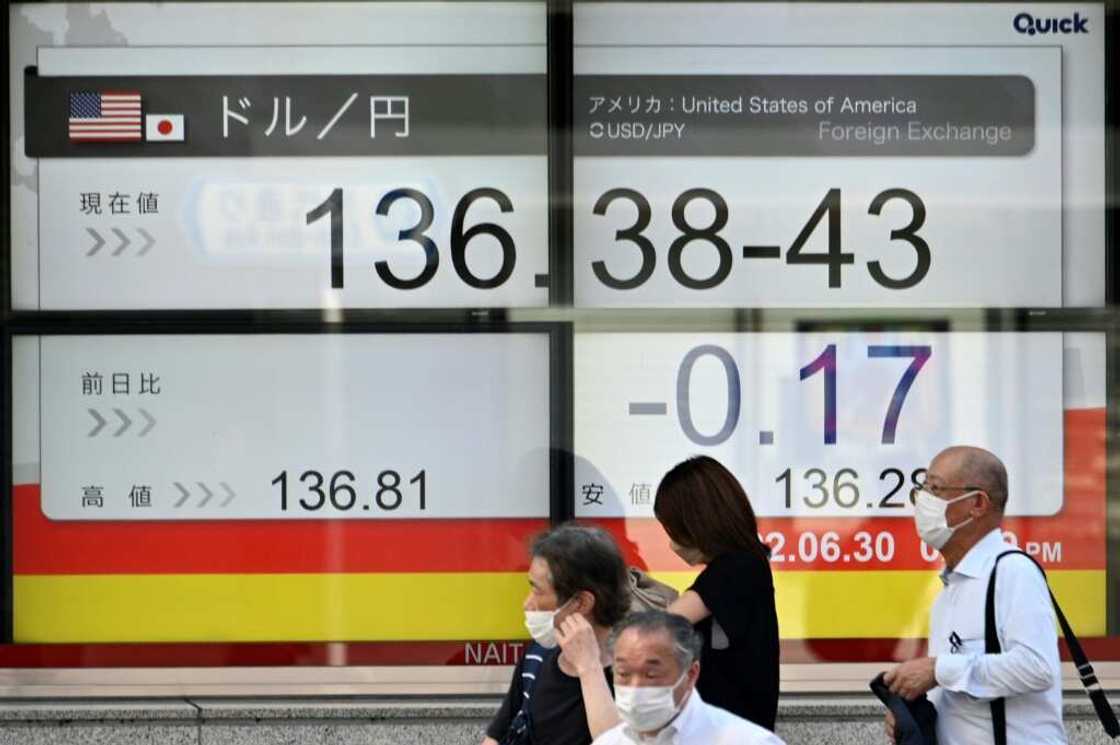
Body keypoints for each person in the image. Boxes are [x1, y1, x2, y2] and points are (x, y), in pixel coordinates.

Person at [884, 446, 1066, 744]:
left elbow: (1037, 668)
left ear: (977, 503)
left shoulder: (1012, 572)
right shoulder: (949, 590)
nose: (923, 500)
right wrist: (914, 712)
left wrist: (937, 669)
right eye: (923, 488)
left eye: (936, 488)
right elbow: (958, 691)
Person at [652, 456, 780, 730]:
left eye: (673, 530)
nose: (672, 543)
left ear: (698, 523)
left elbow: (666, 621)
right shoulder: (742, 565)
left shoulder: (738, 568)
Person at [484, 523, 630, 745]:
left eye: (537, 591)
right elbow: (495, 738)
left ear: (581, 603)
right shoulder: (537, 656)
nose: (527, 604)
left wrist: (589, 668)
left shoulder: (637, 674)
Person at [592, 610, 786, 744]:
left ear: (691, 674)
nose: (635, 687)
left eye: (651, 674)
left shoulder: (748, 741)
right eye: (623, 674)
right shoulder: (608, 742)